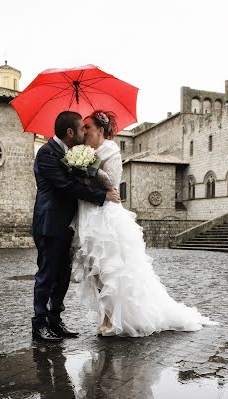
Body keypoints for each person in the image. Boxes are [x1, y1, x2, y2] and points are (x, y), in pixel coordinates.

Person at [72, 110, 216, 337]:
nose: (84, 131)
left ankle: (111, 318)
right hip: (88, 213)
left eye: (87, 127)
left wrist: (89, 167)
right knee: (93, 270)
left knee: (108, 269)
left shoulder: (111, 152)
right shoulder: (83, 151)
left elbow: (111, 182)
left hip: (105, 217)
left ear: (100, 130)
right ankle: (105, 315)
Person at [32, 111, 120, 342]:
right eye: (82, 128)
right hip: (49, 224)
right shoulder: (46, 153)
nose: (85, 132)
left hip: (68, 225)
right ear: (70, 132)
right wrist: (102, 196)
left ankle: (55, 321)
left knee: (62, 276)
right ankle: (39, 324)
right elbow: (65, 186)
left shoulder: (67, 152)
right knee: (46, 275)